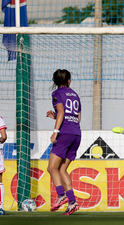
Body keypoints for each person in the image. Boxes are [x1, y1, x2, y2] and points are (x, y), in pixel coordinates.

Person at [46, 69, 81, 215]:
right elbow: (77, 118)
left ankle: (61, 196)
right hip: (76, 134)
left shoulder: (57, 94)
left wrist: (56, 131)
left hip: (64, 133)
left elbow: (61, 112)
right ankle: (72, 202)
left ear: (55, 82)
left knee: (51, 168)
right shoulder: (75, 95)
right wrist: (57, 117)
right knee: (62, 169)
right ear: (69, 80)